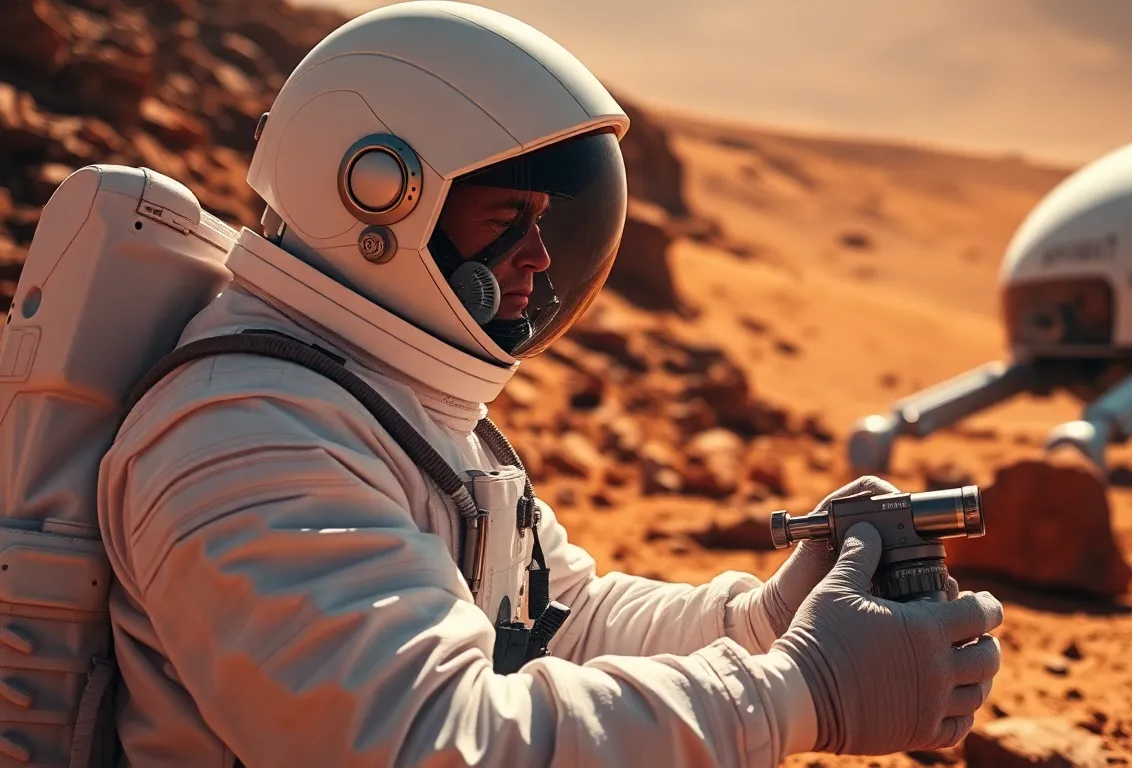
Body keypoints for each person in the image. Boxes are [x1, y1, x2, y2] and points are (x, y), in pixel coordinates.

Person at [97, 2, 1004, 765]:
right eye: (505, 216)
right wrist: (800, 690)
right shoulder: (244, 434)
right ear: (376, 197)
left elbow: (557, 626)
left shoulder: (392, 407)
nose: (536, 258)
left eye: (541, 220)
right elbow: (432, 740)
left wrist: (768, 619)